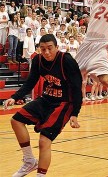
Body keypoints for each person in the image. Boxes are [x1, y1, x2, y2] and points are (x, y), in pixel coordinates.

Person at [3, 34, 83, 177]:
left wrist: (75, 113)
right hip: (46, 99)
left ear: (57, 47)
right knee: (16, 120)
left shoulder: (67, 60)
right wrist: (15, 97)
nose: (46, 52)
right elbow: (30, 81)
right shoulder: (38, 59)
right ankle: (29, 161)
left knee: (44, 140)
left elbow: (77, 87)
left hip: (63, 104)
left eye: (50, 48)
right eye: (43, 49)